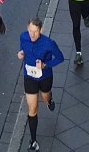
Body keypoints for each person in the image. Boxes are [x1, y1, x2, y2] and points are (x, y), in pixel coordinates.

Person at [18, 18, 64, 151]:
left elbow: (60, 58)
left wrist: (45, 65)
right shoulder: (23, 37)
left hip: (45, 77)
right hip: (29, 77)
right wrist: (21, 53)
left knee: (45, 98)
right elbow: (23, 49)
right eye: (30, 31)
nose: (32, 35)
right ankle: (33, 141)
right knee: (32, 108)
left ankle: (49, 100)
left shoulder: (49, 43)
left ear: (41, 30)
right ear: (27, 28)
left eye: (36, 32)